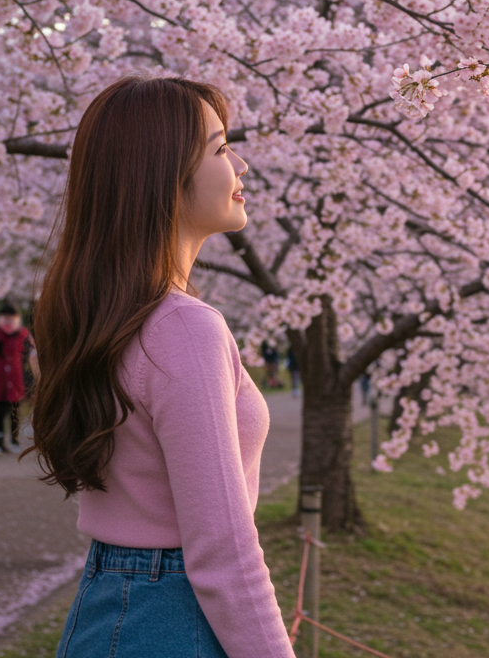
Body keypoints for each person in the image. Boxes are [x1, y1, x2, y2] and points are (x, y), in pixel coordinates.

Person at [29, 77, 292, 658]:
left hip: (108, 601)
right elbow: (223, 549)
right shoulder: (184, 329)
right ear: (163, 178)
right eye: (221, 149)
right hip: (174, 616)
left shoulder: (108, 314)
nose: (240, 163)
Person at [0, 301, 37, 455]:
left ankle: (14, 440)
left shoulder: (23, 335)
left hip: (16, 379)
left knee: (15, 412)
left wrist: (28, 373)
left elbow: (31, 355)